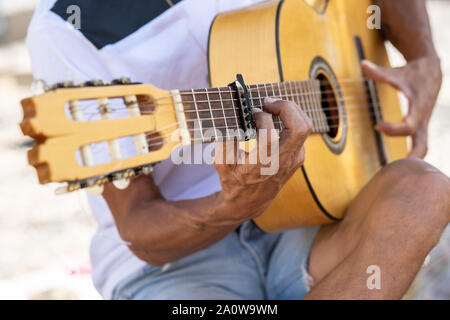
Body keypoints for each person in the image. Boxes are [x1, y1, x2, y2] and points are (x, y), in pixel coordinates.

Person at [26, 0, 449, 299]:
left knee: (424, 191)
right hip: (178, 267)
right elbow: (139, 227)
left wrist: (425, 57)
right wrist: (235, 204)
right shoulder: (67, 24)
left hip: (311, 217)